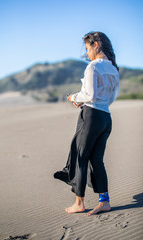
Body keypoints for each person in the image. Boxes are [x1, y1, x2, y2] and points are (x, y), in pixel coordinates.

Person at [54, 31, 120, 216]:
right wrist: (88, 101)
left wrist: (74, 97)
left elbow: (89, 95)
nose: (87, 53)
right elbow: (110, 97)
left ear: (96, 45)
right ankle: (104, 201)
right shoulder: (113, 69)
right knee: (97, 160)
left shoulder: (92, 67)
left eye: (87, 48)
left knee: (80, 158)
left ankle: (79, 203)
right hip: (105, 117)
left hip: (91, 117)